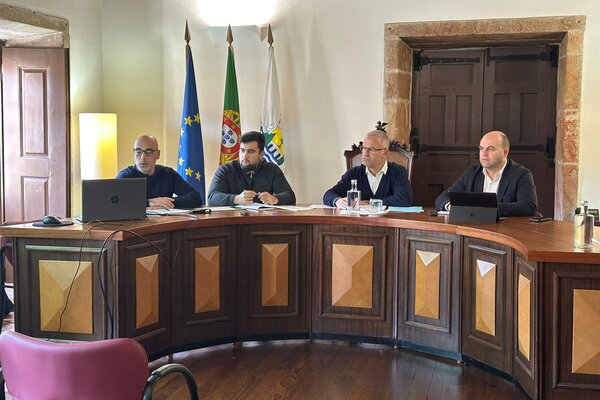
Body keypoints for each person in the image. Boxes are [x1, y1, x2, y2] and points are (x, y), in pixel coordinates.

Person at [435, 130, 538, 217]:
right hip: (474, 228)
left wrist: (487, 208)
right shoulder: (472, 173)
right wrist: (452, 207)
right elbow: (442, 198)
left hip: (505, 230)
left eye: (490, 149)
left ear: (505, 153)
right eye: (481, 149)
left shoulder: (521, 174)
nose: (484, 154)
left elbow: (529, 206)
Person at [323, 126, 411, 208]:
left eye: (371, 149)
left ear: (384, 153)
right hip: (359, 219)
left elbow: (404, 199)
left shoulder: (398, 172)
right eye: (364, 148)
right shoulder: (354, 173)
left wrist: (369, 203)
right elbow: (329, 194)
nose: (365, 153)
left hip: (388, 219)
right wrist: (337, 201)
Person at [207, 131, 296, 206]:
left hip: (262, 219)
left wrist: (275, 199)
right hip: (233, 218)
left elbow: (290, 196)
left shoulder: (272, 169)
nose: (244, 155)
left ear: (261, 154)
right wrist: (236, 199)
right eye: (242, 150)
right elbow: (212, 197)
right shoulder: (226, 169)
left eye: (251, 151)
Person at [116, 134, 203, 209]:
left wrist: (165, 203)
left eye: (148, 152)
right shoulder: (125, 177)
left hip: (165, 221)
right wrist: (148, 202)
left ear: (158, 154)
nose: (142, 157)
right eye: (138, 152)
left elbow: (196, 197)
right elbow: (115, 203)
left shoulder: (168, 173)